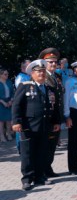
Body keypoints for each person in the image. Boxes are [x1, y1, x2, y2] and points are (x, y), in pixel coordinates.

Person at [12, 60, 60, 190]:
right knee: (27, 154)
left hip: (44, 126)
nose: (42, 74)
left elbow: (54, 106)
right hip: (28, 126)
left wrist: (56, 121)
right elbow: (17, 105)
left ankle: (40, 177)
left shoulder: (49, 89)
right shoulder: (25, 86)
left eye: (43, 71)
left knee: (41, 152)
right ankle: (27, 179)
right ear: (32, 73)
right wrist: (16, 122)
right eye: (39, 72)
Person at [38, 48, 63, 177]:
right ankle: (42, 172)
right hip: (46, 117)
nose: (54, 64)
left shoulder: (57, 76)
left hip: (55, 116)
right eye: (50, 62)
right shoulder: (42, 76)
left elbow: (59, 98)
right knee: (45, 146)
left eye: (55, 62)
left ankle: (48, 168)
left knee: (52, 145)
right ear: (44, 62)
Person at [0, 68, 15, 142]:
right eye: (5, 74)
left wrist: (11, 100)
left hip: (9, 102)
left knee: (9, 120)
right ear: (0, 75)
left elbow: (13, 92)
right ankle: (2, 136)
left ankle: (9, 134)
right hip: (1, 103)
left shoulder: (9, 82)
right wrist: (3, 102)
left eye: (7, 74)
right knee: (1, 121)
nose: (7, 75)